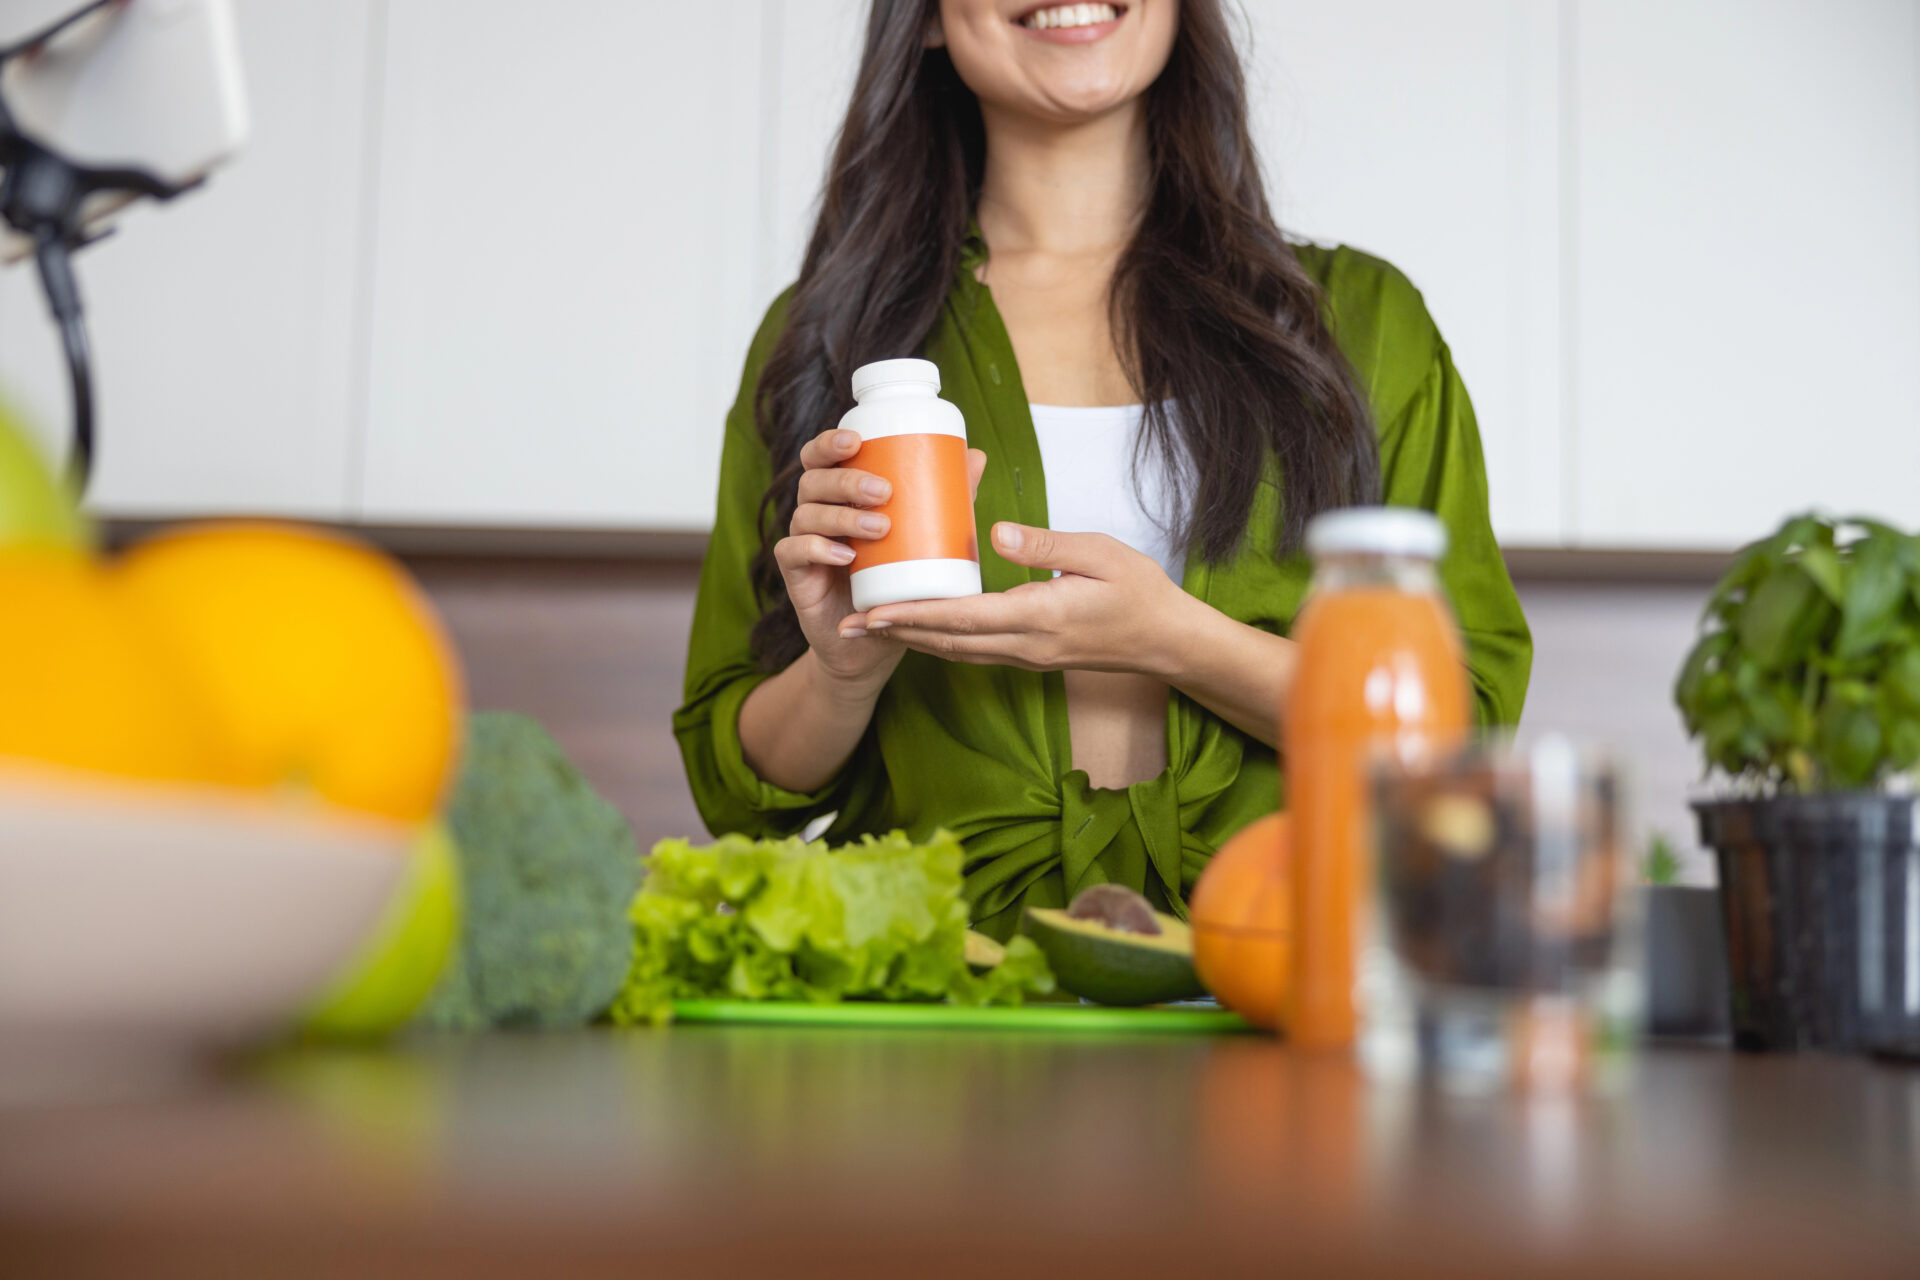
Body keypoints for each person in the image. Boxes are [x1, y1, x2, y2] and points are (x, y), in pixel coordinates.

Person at [678, 0, 1532, 939]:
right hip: (949, 1008)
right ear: (924, 20)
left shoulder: (1364, 328)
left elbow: (1457, 731)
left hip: (1285, 980)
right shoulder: (828, 339)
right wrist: (840, 675)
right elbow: (742, 788)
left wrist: (1173, 640)